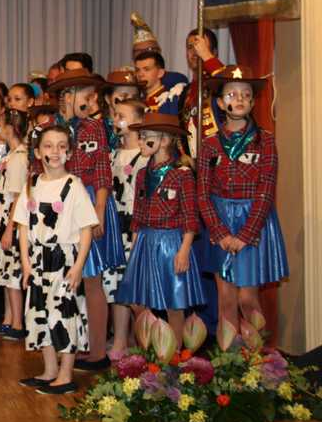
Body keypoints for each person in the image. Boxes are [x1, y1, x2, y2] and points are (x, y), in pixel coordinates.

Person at [197, 65, 288, 331]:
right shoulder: (210, 144)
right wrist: (220, 233)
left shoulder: (265, 141)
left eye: (245, 94)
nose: (239, 99)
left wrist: (246, 234)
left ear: (252, 101)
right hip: (220, 221)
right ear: (219, 102)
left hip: (252, 221)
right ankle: (230, 354)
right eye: (232, 94)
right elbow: (203, 193)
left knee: (247, 299)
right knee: (225, 298)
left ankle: (255, 356)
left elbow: (266, 190)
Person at [49, 69, 122, 371]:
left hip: (89, 202)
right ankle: (75, 344)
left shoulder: (94, 128)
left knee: (92, 280)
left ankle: (98, 352)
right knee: (69, 278)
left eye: (87, 94)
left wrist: (99, 212)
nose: (88, 100)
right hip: (64, 203)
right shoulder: (57, 128)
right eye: (80, 94)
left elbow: (102, 171)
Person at [15, 126, 96, 395]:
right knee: (40, 314)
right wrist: (26, 263)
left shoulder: (74, 186)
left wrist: (78, 266)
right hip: (38, 260)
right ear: (38, 152)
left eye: (62, 146)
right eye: (48, 146)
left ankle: (65, 374)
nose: (55, 152)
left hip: (64, 259)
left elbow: (86, 229)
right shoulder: (32, 185)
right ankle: (49, 370)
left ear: (69, 152)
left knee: (64, 315)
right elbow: (23, 227)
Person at [116, 113, 205, 342]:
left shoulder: (182, 175)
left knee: (174, 303)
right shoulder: (142, 174)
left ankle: (174, 353)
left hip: (170, 243)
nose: (140, 141)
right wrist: (135, 244)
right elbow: (138, 212)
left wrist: (184, 250)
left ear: (164, 141)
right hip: (146, 240)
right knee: (138, 299)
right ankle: (151, 348)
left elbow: (190, 216)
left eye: (146, 136)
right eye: (140, 136)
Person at [103, 100, 149, 355]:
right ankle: (120, 340)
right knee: (116, 286)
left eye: (121, 115)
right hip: (115, 226)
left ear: (138, 121)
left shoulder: (144, 156)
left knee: (135, 289)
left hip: (135, 227)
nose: (115, 119)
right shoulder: (113, 155)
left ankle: (146, 344)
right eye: (115, 115)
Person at [0, 109, 29, 341]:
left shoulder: (20, 158)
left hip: (10, 221)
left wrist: (10, 228)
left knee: (12, 273)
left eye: (2, 124)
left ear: (11, 128)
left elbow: (18, 196)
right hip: (2, 217)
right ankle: (8, 319)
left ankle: (18, 323)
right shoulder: (12, 155)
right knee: (4, 271)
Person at [180, 28, 225, 157]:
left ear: (214, 52)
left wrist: (206, 56)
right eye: (190, 47)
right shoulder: (185, 92)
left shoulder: (220, 81)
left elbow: (228, 88)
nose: (195, 51)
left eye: (200, 46)